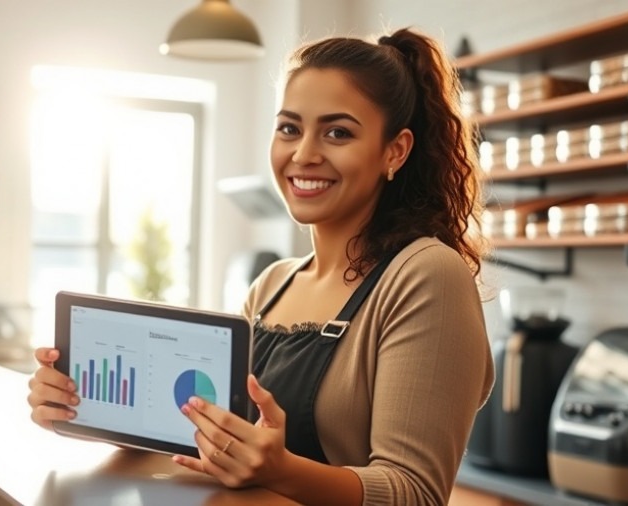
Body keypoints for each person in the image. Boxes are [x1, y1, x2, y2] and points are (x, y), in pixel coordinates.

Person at [28, 26, 494, 505]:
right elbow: (217, 439)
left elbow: (414, 493)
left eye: (338, 132)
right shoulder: (274, 283)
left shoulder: (426, 275)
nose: (304, 154)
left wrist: (282, 470)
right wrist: (89, 410)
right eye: (290, 128)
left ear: (394, 151)